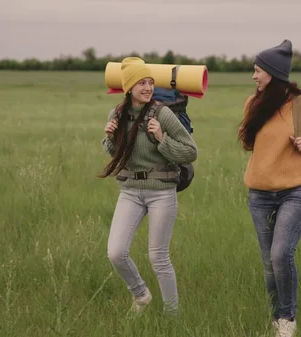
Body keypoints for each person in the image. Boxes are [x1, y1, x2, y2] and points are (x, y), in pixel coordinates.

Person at [238, 40, 301, 337]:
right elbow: (248, 143)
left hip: (296, 191)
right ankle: (275, 315)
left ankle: (287, 319)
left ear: (274, 73)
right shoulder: (253, 104)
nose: (254, 77)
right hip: (260, 195)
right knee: (268, 263)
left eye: (258, 71)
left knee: (281, 255)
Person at [99, 57, 198, 315]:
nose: (148, 88)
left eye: (151, 82)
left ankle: (171, 315)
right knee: (116, 253)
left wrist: (162, 139)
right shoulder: (118, 114)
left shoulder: (162, 113)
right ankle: (141, 294)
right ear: (128, 87)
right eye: (141, 83)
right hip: (130, 191)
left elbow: (190, 151)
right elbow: (117, 153)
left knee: (158, 257)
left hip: (161, 192)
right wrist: (110, 138)